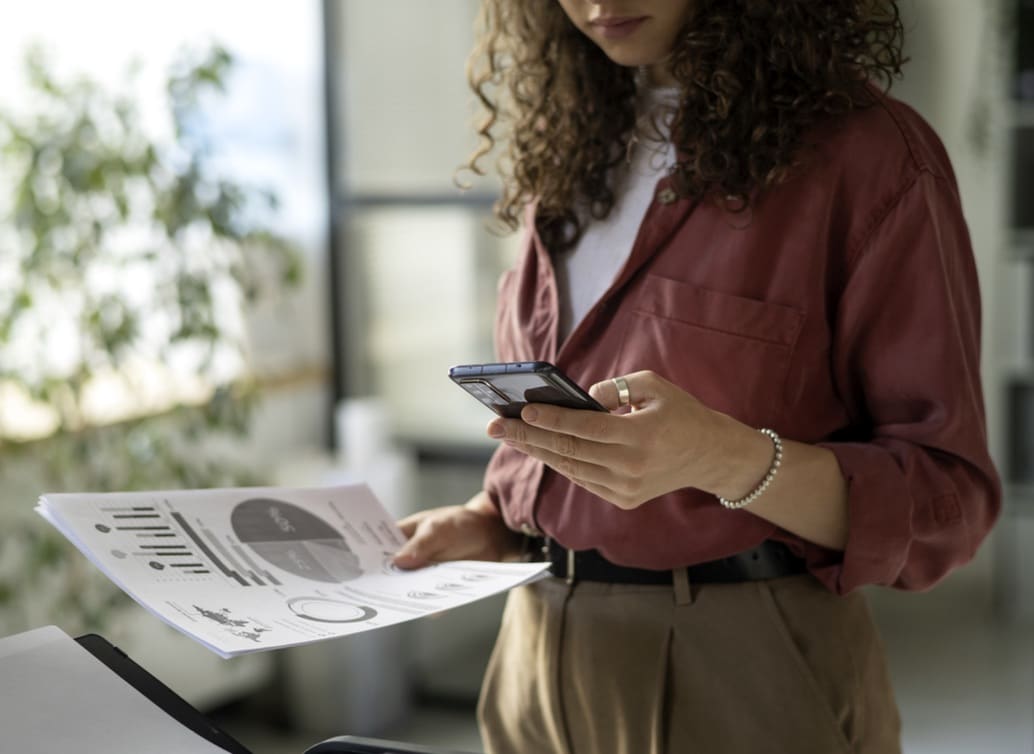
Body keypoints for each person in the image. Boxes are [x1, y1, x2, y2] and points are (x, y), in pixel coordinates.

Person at [393, 1, 1002, 752]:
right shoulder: (574, 143)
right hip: (532, 653)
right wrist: (493, 517)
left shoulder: (870, 159)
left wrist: (726, 456)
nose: (597, 3)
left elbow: (948, 500)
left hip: (743, 662)